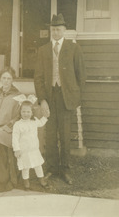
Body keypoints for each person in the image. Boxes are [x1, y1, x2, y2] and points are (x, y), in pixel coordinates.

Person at [34, 13, 86, 185]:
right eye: (53, 29)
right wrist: (42, 100)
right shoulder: (43, 50)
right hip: (50, 97)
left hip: (66, 98)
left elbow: (81, 76)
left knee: (64, 135)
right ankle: (52, 168)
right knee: (50, 134)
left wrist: (77, 97)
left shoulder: (74, 48)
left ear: (64, 30)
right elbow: (38, 77)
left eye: (58, 29)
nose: (55, 32)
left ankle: (65, 169)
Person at [12, 96, 49, 190]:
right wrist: (16, 149)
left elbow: (40, 123)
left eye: (28, 112)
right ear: (20, 112)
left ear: (32, 112)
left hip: (34, 149)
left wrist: (45, 117)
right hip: (24, 150)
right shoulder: (18, 124)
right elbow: (15, 138)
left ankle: (41, 180)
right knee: (25, 167)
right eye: (23, 112)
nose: (26, 114)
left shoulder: (34, 121)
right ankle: (26, 183)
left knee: (38, 165)